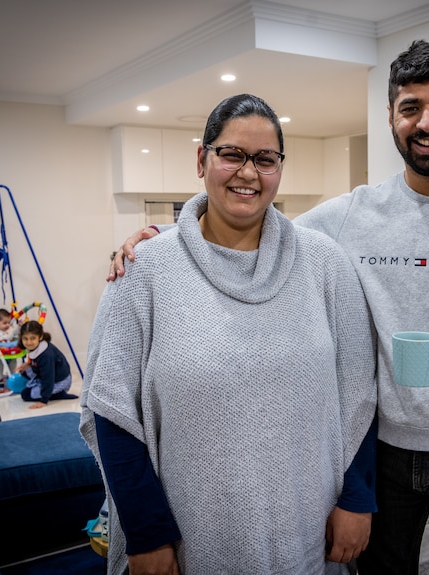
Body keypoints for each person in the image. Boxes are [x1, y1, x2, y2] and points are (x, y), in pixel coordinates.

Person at [108, 41, 429, 575]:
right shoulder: (353, 214)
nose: (427, 122)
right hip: (384, 451)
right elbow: (247, 219)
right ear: (391, 118)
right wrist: (160, 239)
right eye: (410, 108)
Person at [81, 93, 378, 575]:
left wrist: (358, 498)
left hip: (308, 527)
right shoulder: (144, 272)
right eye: (232, 154)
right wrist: (146, 531)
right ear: (202, 159)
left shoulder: (324, 262)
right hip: (190, 537)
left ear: (280, 168)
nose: (248, 172)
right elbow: (112, 410)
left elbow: (360, 392)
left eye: (265, 159)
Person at [14, 320, 76, 409]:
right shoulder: (37, 347)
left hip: (59, 381)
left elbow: (48, 377)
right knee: (23, 372)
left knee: (25, 394)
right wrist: (28, 364)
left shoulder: (46, 355)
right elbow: (35, 358)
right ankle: (43, 389)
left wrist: (44, 400)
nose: (29, 342)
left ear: (40, 337)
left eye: (32, 338)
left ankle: (58, 394)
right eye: (25, 339)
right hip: (49, 376)